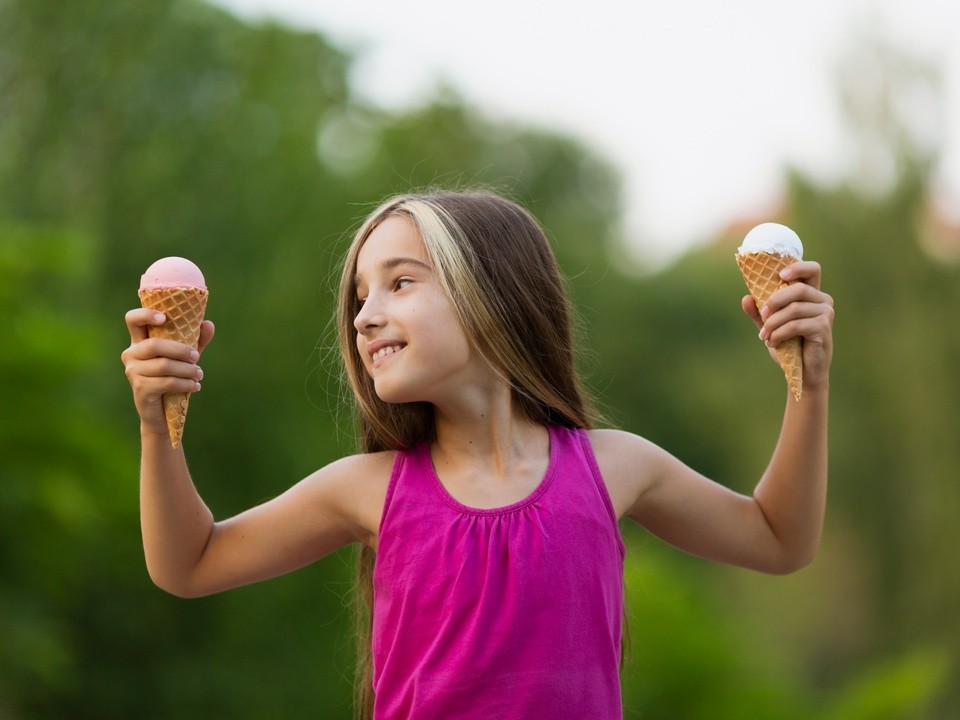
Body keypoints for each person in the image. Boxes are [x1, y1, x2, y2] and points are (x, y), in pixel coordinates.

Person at [121, 190, 834, 720]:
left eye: (400, 283)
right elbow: (189, 563)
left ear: (493, 295)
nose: (366, 315)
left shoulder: (616, 467)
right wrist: (158, 428)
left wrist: (808, 383)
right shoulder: (366, 488)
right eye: (360, 296)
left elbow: (778, 538)